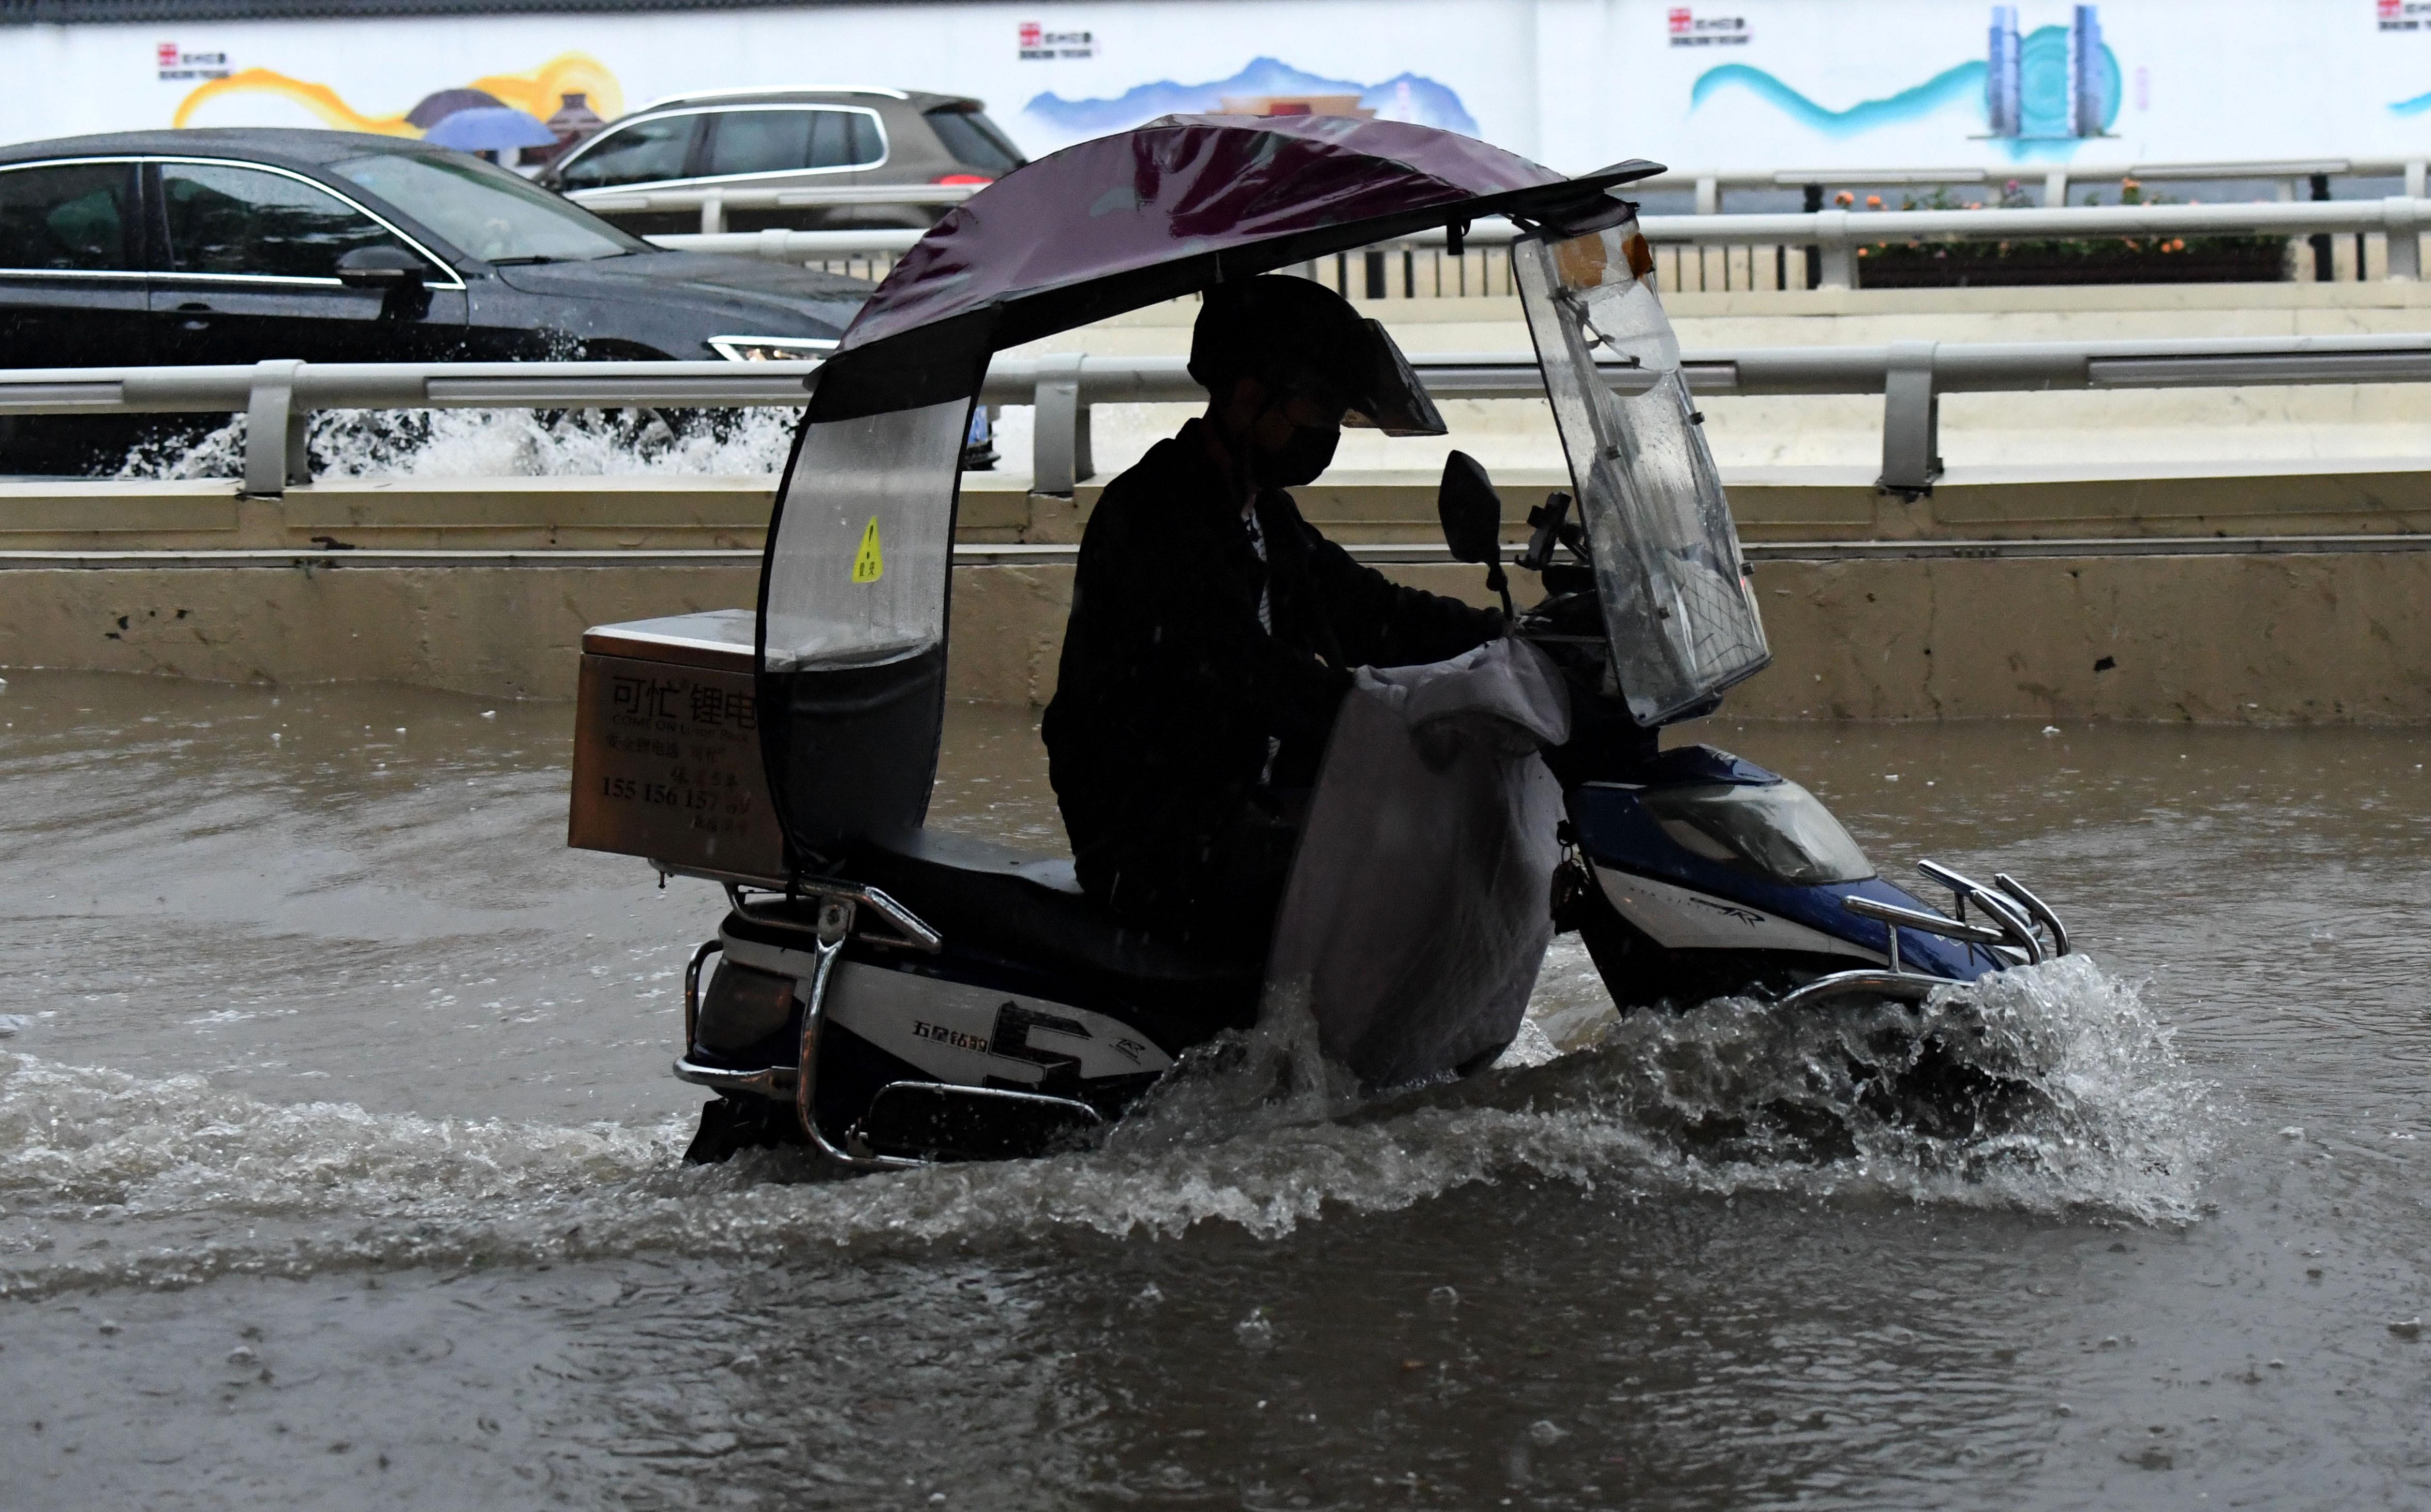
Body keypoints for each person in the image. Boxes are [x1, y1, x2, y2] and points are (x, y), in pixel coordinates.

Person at [1041, 275, 1504, 955]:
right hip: (1159, 848)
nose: (1326, 434)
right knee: (1399, 893)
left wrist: (1506, 637)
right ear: (1248, 395)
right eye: (1317, 410)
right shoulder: (1155, 515)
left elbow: (1369, 612)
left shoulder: (1264, 513)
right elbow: (1249, 676)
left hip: (1241, 815)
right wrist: (1403, 714)